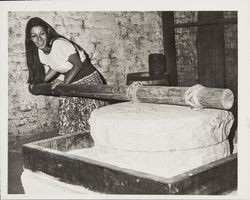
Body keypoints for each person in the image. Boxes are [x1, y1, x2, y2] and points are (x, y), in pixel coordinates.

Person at [25, 17, 109, 135]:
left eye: (42, 34)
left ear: (47, 32)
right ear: (30, 38)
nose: (39, 39)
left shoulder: (59, 44)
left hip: (88, 80)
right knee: (69, 117)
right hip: (72, 81)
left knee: (91, 123)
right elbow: (55, 66)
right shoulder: (41, 51)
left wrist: (64, 82)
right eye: (34, 36)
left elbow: (77, 65)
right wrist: (41, 81)